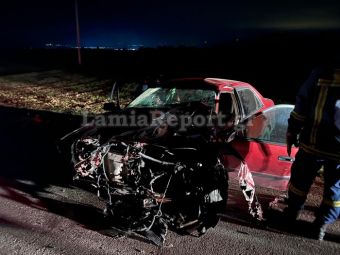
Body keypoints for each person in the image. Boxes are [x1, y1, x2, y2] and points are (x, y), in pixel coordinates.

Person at [285, 64, 340, 240]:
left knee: (300, 180)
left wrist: (293, 129)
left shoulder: (322, 73)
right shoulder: (321, 73)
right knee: (336, 189)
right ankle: (320, 227)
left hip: (314, 141)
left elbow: (303, 101)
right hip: (336, 149)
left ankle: (291, 215)